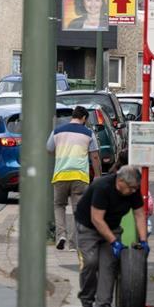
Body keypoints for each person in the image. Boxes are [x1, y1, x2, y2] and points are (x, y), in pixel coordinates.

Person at [73, 165, 148, 307]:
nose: (134, 192)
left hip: (112, 227)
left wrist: (143, 240)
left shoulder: (132, 190)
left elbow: (139, 214)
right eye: (131, 188)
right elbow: (97, 219)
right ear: (120, 181)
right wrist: (114, 242)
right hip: (89, 228)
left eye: (135, 188)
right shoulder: (102, 187)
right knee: (90, 262)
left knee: (108, 266)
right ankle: (87, 303)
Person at [47, 105, 101, 252]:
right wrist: (97, 176)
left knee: (59, 206)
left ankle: (61, 236)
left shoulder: (57, 131)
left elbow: (49, 149)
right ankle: (72, 243)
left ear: (73, 116)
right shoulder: (89, 133)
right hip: (80, 177)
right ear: (83, 118)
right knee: (78, 210)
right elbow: (95, 156)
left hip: (60, 175)